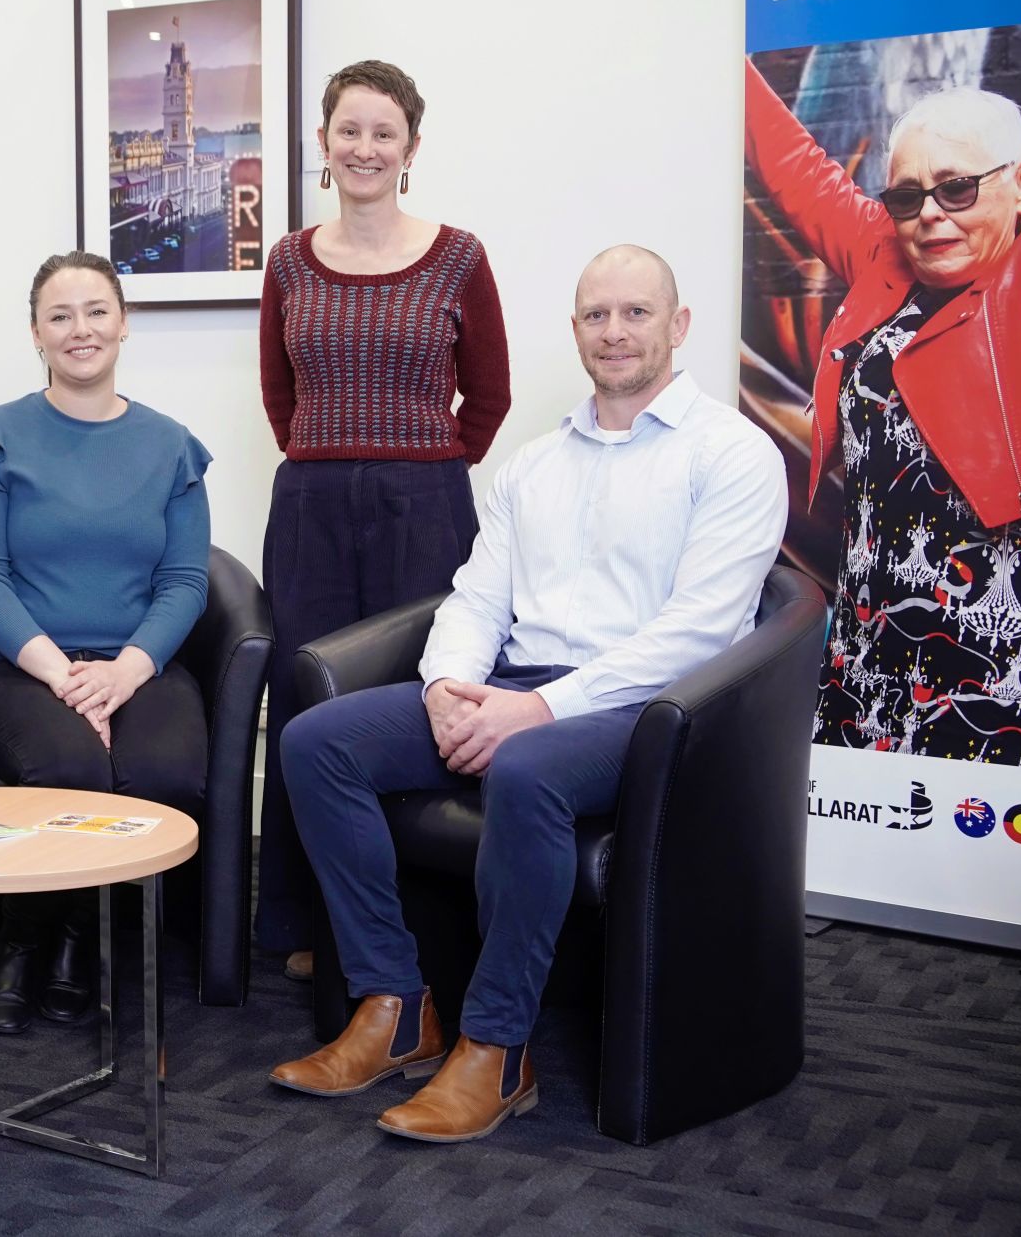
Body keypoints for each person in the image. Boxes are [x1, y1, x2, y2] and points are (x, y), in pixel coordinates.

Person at [268, 246, 786, 1142]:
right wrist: (445, 689)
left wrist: (540, 710)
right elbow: (474, 597)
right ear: (576, 329)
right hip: (512, 687)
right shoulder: (535, 463)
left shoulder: (733, 454)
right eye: (596, 315)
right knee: (319, 741)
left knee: (528, 769)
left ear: (679, 325)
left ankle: (497, 1048)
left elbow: (699, 631)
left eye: (635, 313)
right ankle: (395, 1003)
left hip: (651, 710)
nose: (615, 332)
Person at [255, 60, 511, 983]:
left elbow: (490, 393)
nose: (364, 147)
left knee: (418, 698)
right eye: (348, 130)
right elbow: (280, 397)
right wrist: (336, 458)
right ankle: (301, 923)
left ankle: (425, 923)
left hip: (425, 509)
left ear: (409, 148)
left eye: (383, 132)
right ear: (322, 143)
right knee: (305, 697)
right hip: (311, 507)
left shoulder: (459, 255)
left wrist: (422, 466)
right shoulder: (286, 259)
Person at [0, 250, 211, 1035]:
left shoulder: (171, 446)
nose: (80, 329)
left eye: (97, 311)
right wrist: (65, 678)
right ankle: (24, 940)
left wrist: (124, 673)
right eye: (60, 315)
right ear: (35, 333)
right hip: (12, 667)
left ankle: (75, 934)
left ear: (124, 323)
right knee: (69, 764)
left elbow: (185, 582)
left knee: (166, 773)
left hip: (134, 664)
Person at [745, 58, 1021, 764]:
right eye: (908, 195)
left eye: (958, 188)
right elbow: (794, 166)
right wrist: (715, 43)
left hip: (994, 646)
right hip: (871, 624)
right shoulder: (888, 250)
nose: (931, 212)